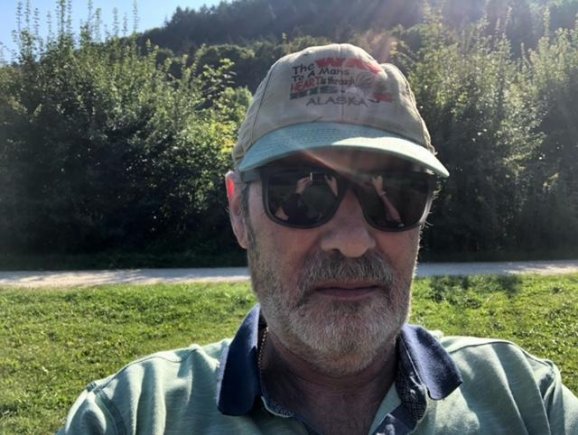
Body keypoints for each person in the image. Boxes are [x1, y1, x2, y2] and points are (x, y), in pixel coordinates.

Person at [59, 43, 578, 434]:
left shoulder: (528, 398)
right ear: (239, 212)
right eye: (300, 194)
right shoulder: (131, 415)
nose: (352, 241)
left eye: (394, 194)